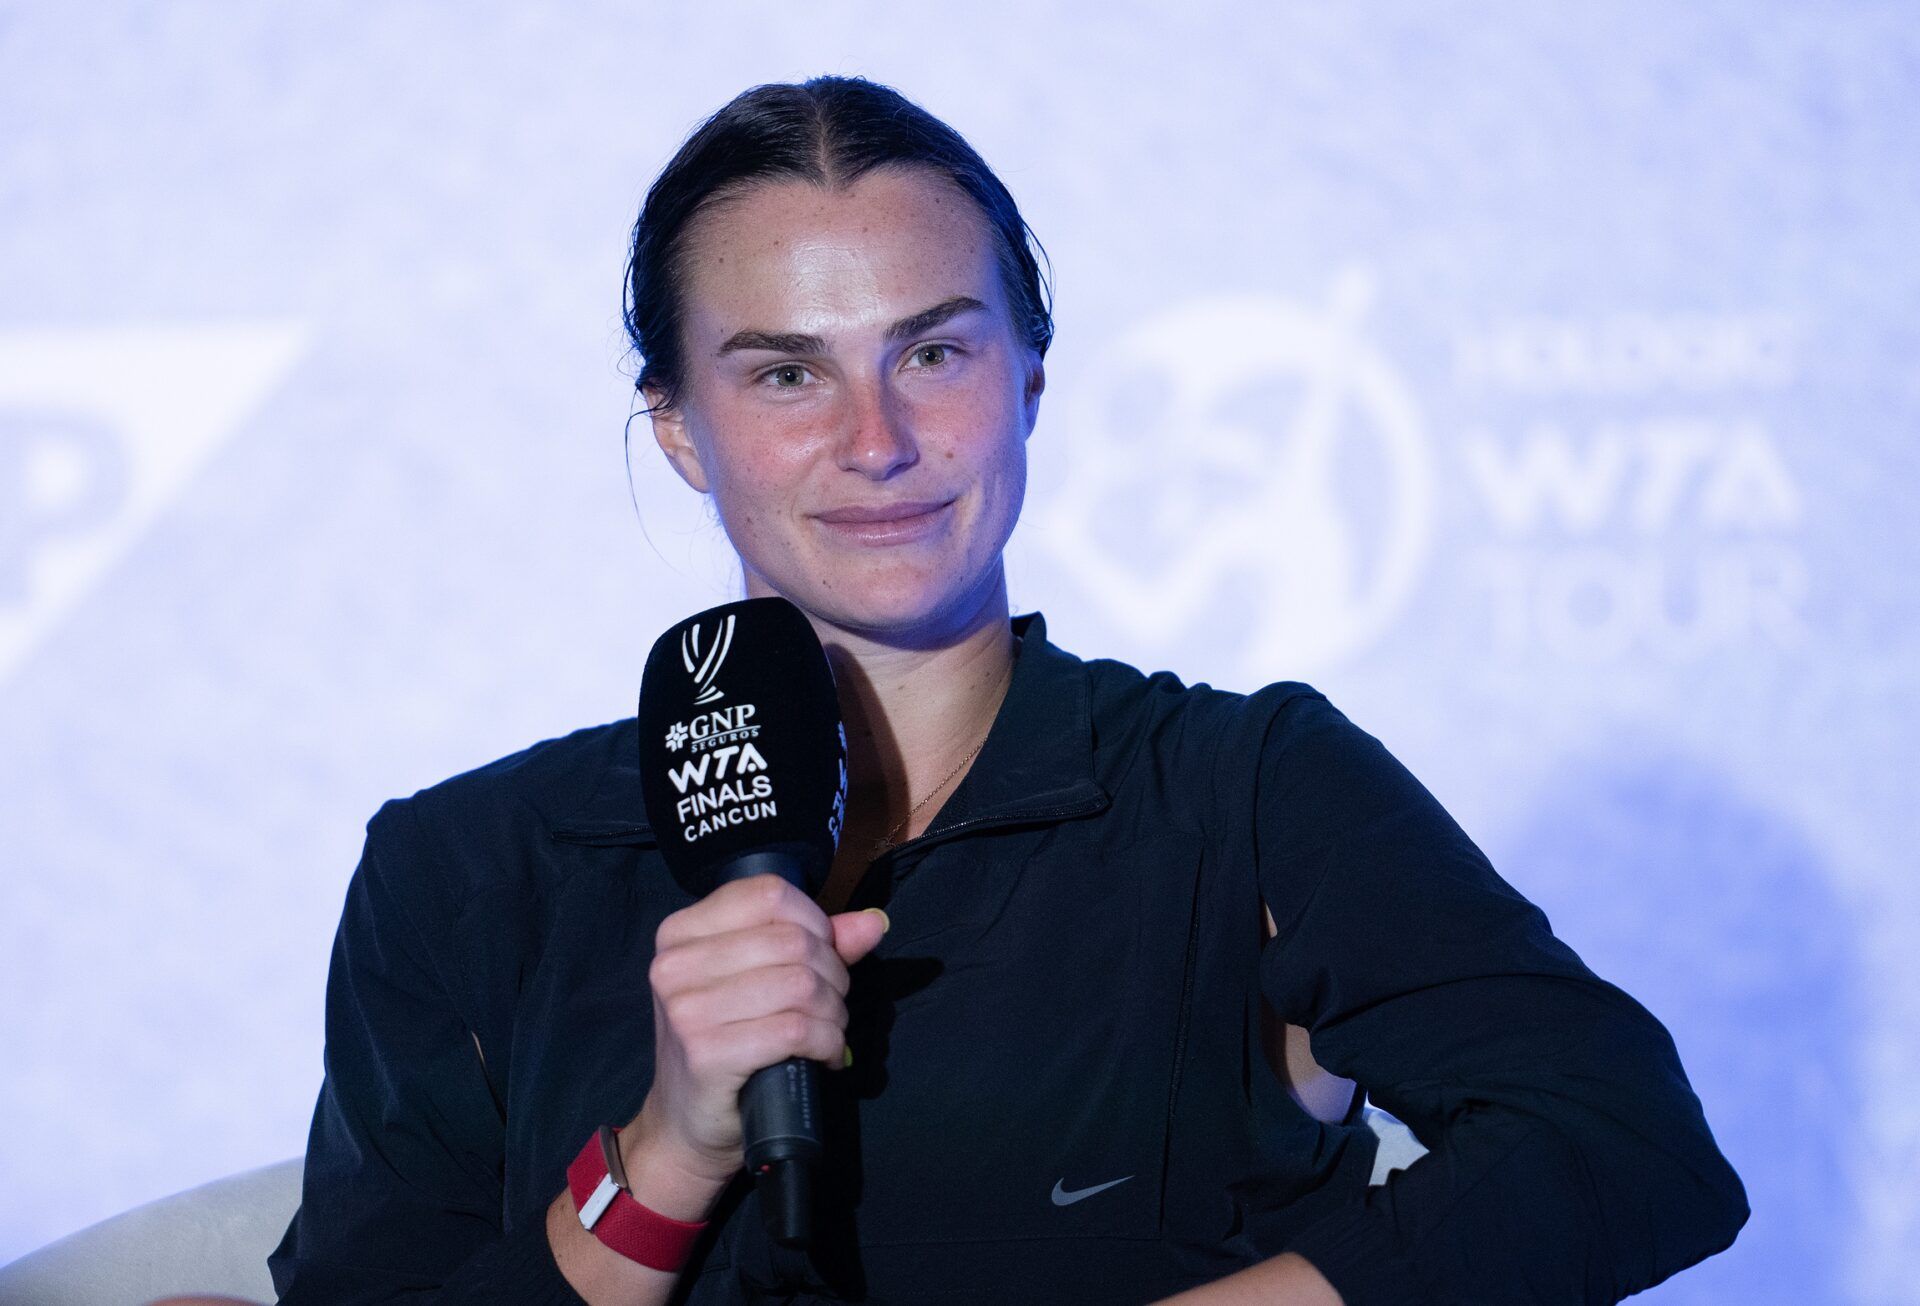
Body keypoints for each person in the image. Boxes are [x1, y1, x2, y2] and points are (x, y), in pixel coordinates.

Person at [268, 75, 1749, 1304]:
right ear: (676, 428)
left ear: (1029, 376)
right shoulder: (464, 868)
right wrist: (663, 1153)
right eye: (785, 375)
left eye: (934, 350)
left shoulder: (1241, 790)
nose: (878, 438)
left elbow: (1619, 1147)